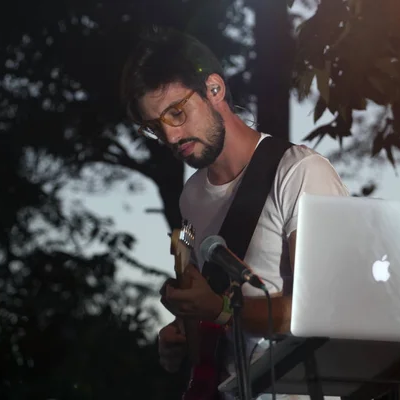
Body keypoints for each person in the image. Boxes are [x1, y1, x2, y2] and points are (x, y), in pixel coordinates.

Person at [120, 26, 349, 399]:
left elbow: (325, 312)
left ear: (214, 89)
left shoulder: (299, 172)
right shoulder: (190, 198)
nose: (171, 137)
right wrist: (183, 334)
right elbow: (209, 316)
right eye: (154, 127)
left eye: (176, 113)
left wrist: (222, 310)